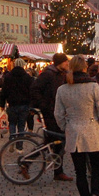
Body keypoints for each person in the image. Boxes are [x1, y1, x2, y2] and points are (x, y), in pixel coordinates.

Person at [55, 55, 99, 196]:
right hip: (93, 130)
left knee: (80, 172)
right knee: (96, 169)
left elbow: (58, 114)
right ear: (85, 68)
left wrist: (66, 126)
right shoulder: (93, 87)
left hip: (74, 132)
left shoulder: (63, 89)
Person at [32, 53, 74, 181]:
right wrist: (43, 105)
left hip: (59, 112)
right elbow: (35, 89)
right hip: (50, 112)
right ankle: (27, 163)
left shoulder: (62, 74)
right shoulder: (48, 74)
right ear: (59, 63)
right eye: (65, 62)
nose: (67, 64)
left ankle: (58, 171)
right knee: (54, 141)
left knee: (57, 142)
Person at [2, 58, 33, 137]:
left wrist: (1, 104)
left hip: (12, 103)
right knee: (21, 125)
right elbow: (31, 91)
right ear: (23, 65)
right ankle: (20, 145)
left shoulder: (8, 76)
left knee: (12, 123)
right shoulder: (27, 77)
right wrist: (32, 104)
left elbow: (4, 91)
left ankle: (12, 139)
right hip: (24, 104)